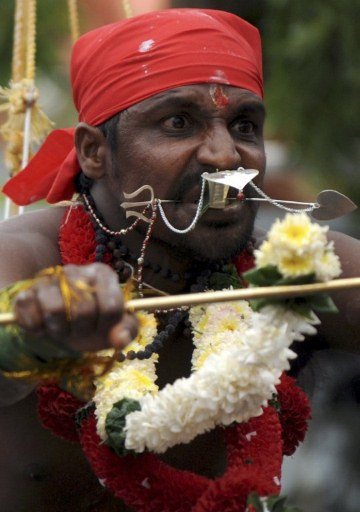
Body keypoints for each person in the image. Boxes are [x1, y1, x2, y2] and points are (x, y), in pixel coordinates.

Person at [0, 8, 359, 512]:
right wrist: (33, 339)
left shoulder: (301, 265)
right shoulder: (27, 257)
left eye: (244, 125)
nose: (225, 155)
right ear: (94, 152)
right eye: (178, 122)